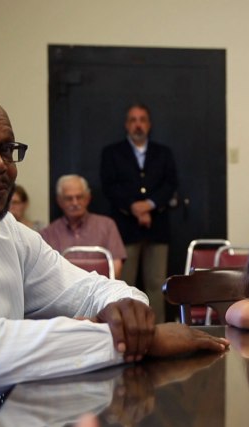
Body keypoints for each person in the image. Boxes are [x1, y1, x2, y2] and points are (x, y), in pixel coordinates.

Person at [0, 93, 228, 395]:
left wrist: (127, 309)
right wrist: (138, 339)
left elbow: (91, 290)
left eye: (7, 149)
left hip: (23, 410)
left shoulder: (2, 230)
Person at [100, 103, 178, 322]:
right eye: (133, 120)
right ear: (126, 124)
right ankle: (127, 329)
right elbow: (110, 186)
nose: (138, 124)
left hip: (158, 227)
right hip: (124, 228)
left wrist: (150, 205)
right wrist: (134, 206)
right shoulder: (112, 153)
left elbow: (170, 184)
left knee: (157, 284)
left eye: (142, 119)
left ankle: (159, 331)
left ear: (149, 125)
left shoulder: (163, 153)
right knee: (125, 284)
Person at [41, 174, 127, 278]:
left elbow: (116, 266)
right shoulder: (48, 233)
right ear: (60, 201)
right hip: (64, 292)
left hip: (101, 290)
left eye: (79, 197)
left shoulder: (107, 225)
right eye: (69, 198)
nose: (75, 202)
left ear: (88, 198)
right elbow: (45, 271)